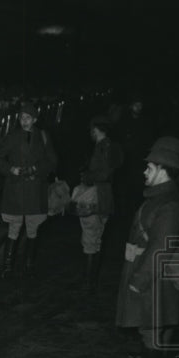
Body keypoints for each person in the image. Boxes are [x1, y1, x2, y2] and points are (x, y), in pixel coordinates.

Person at [115, 140, 179, 358]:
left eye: (149, 167)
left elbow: (161, 248)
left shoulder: (169, 205)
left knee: (150, 327)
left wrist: (139, 280)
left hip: (154, 277)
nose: (145, 172)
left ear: (162, 170)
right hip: (148, 270)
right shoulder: (160, 197)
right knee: (151, 325)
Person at [0, 102, 58, 278]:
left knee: (32, 228)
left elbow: (52, 161)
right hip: (16, 190)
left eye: (28, 118)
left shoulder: (43, 137)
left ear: (35, 119)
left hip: (35, 189)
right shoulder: (12, 137)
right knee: (14, 227)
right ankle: (7, 266)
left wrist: (36, 169)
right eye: (21, 117)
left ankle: (29, 264)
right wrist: (10, 169)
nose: (24, 121)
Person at [76, 116, 123, 292]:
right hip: (105, 197)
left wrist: (86, 176)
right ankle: (91, 279)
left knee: (90, 237)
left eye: (92, 130)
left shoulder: (103, 147)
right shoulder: (108, 146)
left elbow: (104, 174)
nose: (90, 133)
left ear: (97, 129)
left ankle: (88, 281)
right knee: (96, 238)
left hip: (96, 196)